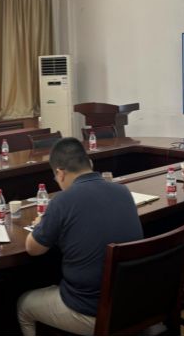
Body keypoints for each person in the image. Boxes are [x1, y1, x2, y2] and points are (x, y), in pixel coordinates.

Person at [17, 138, 143, 336]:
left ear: (60, 173)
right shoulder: (123, 191)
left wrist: (41, 223)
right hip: (134, 301)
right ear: (90, 163)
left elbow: (33, 249)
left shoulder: (62, 201)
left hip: (94, 312)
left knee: (24, 304)